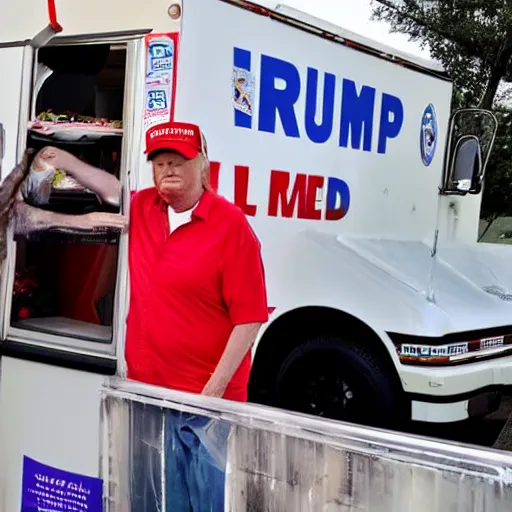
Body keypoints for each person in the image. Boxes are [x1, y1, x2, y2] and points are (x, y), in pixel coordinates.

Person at [126, 121, 269, 511]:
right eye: (159, 162)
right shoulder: (142, 207)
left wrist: (212, 393)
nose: (167, 169)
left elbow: (250, 319)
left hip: (205, 404)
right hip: (148, 393)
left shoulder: (231, 226)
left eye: (179, 161)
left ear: (202, 167)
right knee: (155, 498)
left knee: (204, 502)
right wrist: (60, 158)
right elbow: (106, 193)